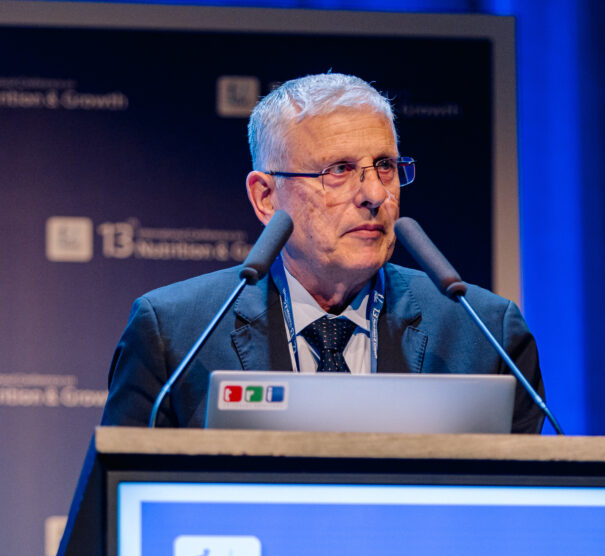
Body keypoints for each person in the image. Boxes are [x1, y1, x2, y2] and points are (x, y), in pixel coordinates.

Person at [101, 73, 545, 432]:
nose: (374, 194)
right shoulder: (175, 333)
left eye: (385, 166)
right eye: (339, 170)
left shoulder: (485, 334)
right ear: (266, 197)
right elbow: (118, 500)